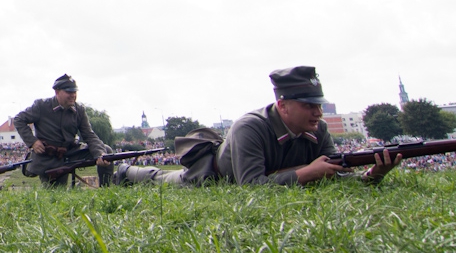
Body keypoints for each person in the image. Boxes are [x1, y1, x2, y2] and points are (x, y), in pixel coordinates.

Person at [115, 66, 401, 186]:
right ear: (283, 105)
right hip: (210, 175)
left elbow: (335, 176)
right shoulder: (249, 127)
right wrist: (307, 173)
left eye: (318, 105)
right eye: (308, 105)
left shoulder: (318, 129)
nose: (317, 112)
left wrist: (373, 175)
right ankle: (125, 171)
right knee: (162, 179)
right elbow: (252, 187)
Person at [14, 74, 110, 187]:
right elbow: (19, 120)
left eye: (74, 92)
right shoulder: (41, 106)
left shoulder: (79, 110)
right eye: (69, 92)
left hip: (71, 153)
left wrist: (100, 154)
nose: (73, 95)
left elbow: (89, 135)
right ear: (57, 92)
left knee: (106, 152)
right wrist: (33, 142)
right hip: (49, 158)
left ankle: (106, 191)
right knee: (56, 195)